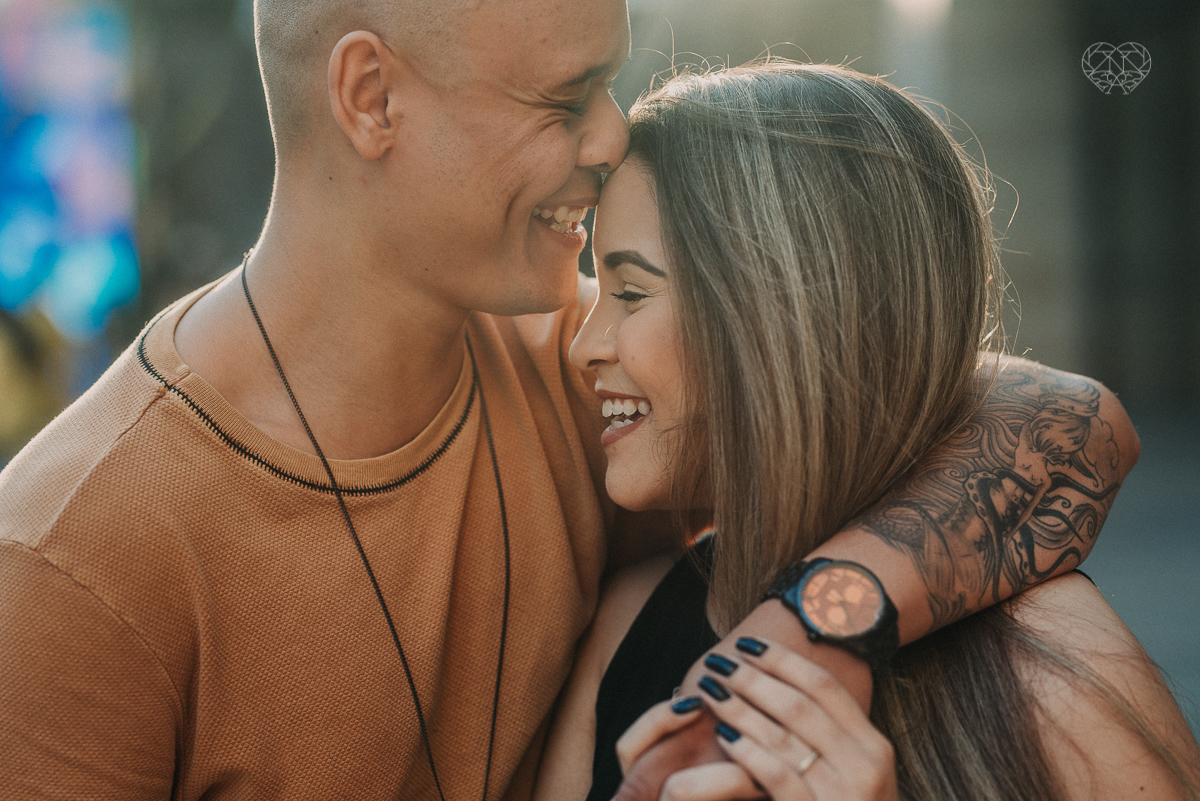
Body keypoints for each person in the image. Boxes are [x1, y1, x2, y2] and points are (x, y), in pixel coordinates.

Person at [0, 2, 1139, 798]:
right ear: (370, 96)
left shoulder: (584, 372)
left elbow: (1047, 420)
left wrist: (822, 626)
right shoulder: (69, 561)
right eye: (566, 96)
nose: (612, 134)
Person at [539, 62, 1199, 801]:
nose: (581, 346)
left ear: (785, 321)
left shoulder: (1059, 670)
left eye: (628, 292)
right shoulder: (624, 628)